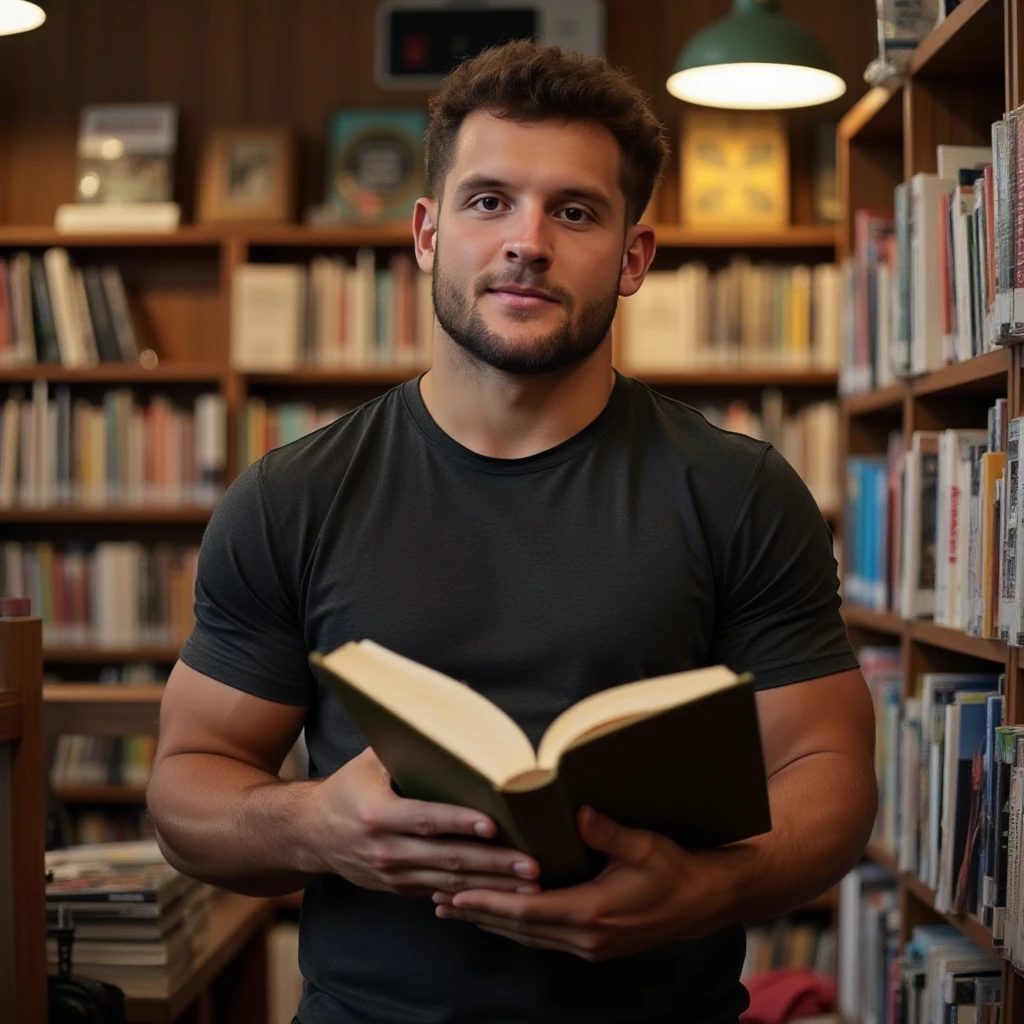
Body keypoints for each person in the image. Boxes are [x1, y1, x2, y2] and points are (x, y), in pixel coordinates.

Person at [147, 40, 876, 1024]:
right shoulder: (291, 495)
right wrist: (316, 821)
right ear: (426, 234)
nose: (525, 240)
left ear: (633, 256)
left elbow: (827, 776)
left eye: (573, 211)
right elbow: (185, 792)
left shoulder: (740, 490)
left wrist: (705, 892)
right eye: (487, 200)